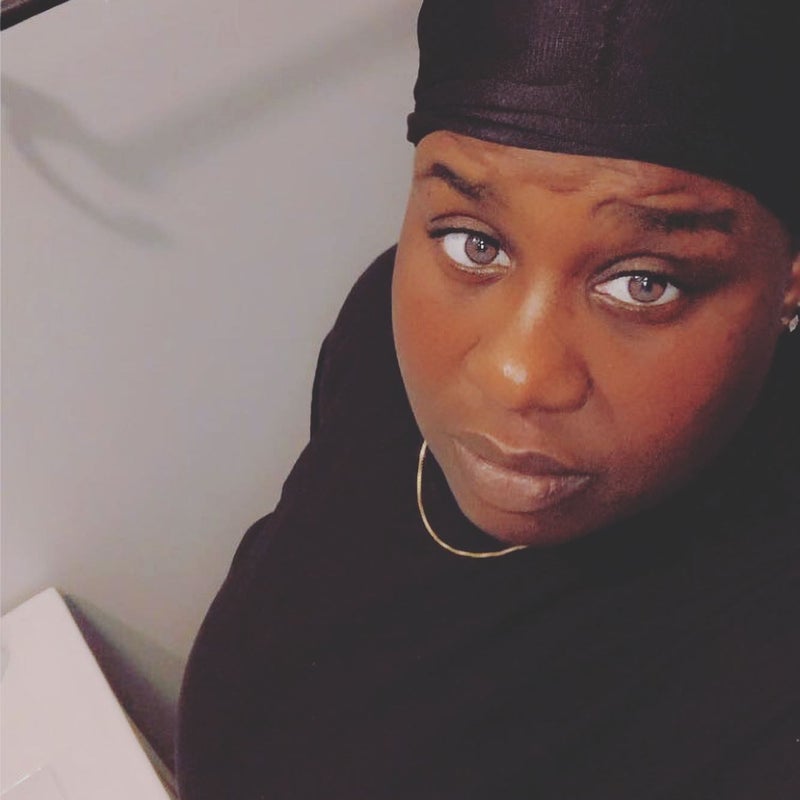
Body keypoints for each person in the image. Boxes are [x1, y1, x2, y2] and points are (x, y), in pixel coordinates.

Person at [176, 1, 800, 797]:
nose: (517, 374)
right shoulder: (377, 325)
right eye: (476, 242)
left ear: (789, 278)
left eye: (644, 283)